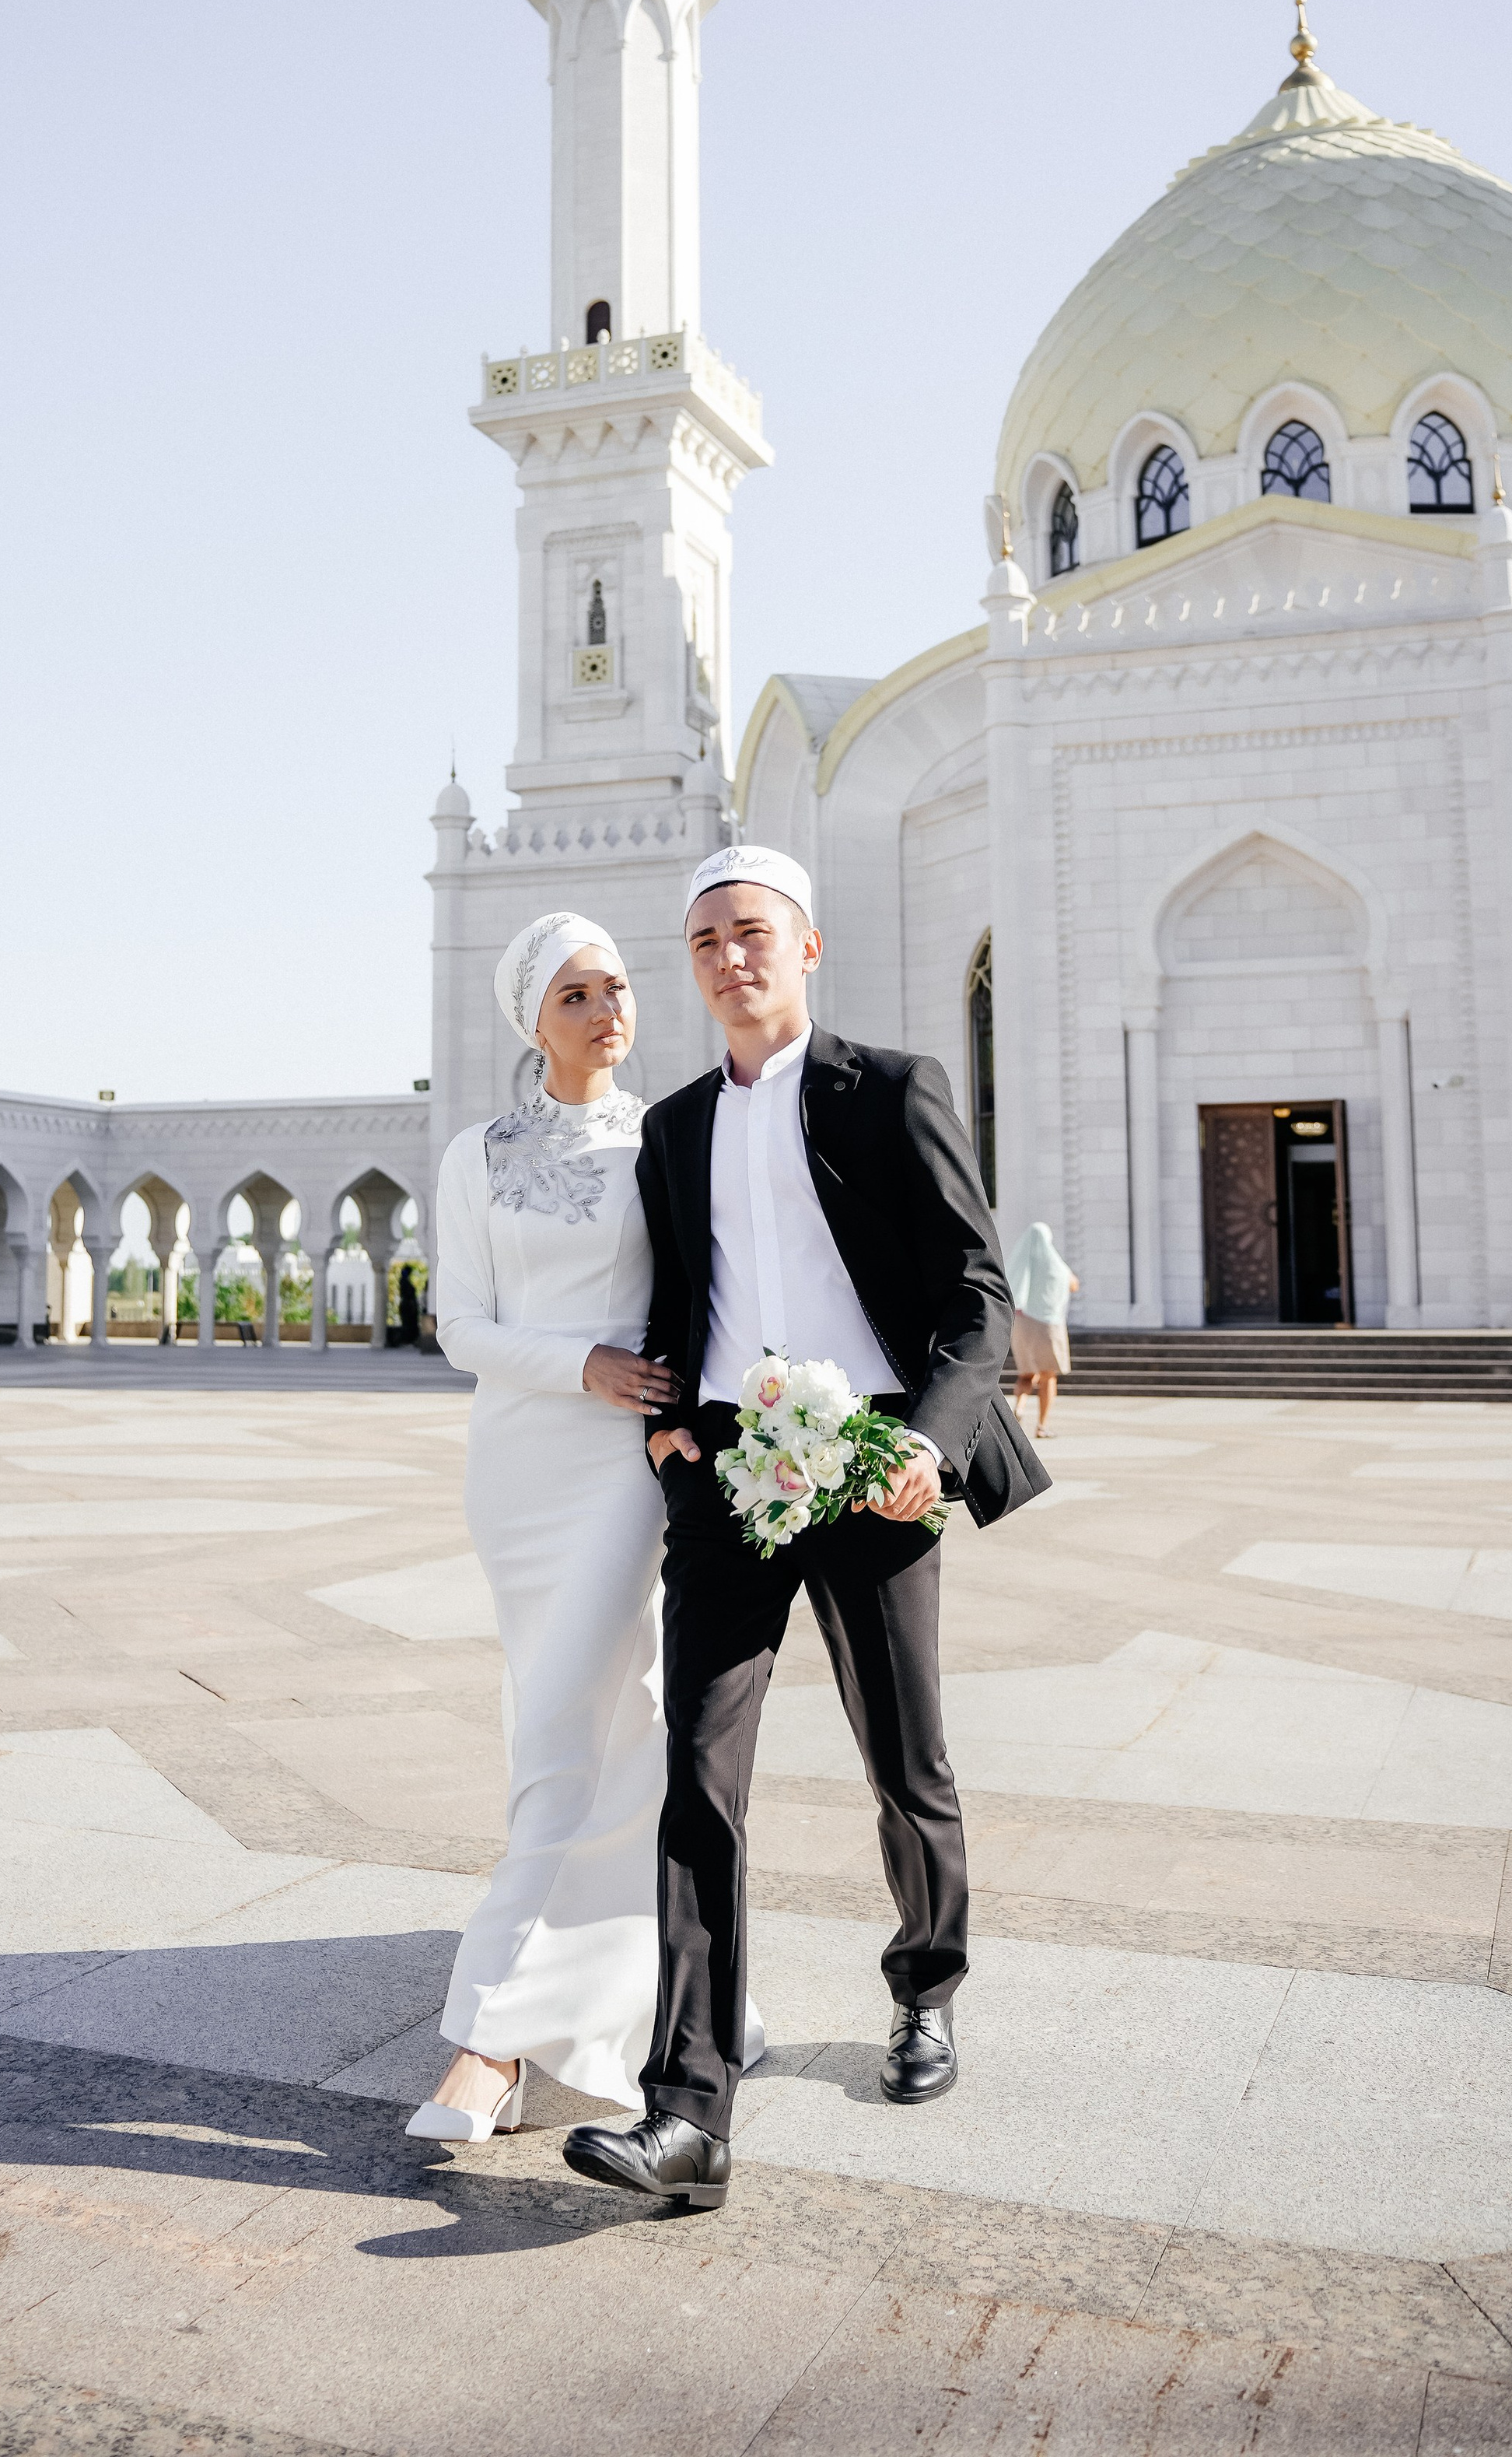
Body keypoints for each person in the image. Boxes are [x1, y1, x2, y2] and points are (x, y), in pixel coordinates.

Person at [562, 845, 1048, 2212]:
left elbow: (975, 1295)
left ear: (807, 947)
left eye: (752, 933)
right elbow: (681, 1291)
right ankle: (688, 2111)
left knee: (906, 1760)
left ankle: (927, 1988)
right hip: (725, 1481)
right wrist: (669, 1427)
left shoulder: (891, 1090)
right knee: (697, 1782)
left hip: (875, 1462)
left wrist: (929, 1447)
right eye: (706, 939)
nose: (729, 957)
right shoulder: (672, 1129)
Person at [407, 912, 684, 2138]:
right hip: (521, 1466)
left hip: (631, 1469)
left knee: (573, 1722)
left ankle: (489, 2040)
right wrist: (583, 1364)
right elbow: (460, 1325)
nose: (606, 1010)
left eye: (617, 986)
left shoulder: (673, 1136)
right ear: (533, 1017)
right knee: (582, 1723)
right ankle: (644, 1982)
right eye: (575, 993)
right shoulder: (476, 1155)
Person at [1007, 1221, 1077, 1438]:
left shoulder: (1016, 1263)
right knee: (1048, 1376)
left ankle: (1019, 1407)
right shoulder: (1054, 1264)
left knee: (1026, 1374)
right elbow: (1073, 1284)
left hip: (1021, 1323)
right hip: (1047, 1325)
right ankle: (1042, 1425)